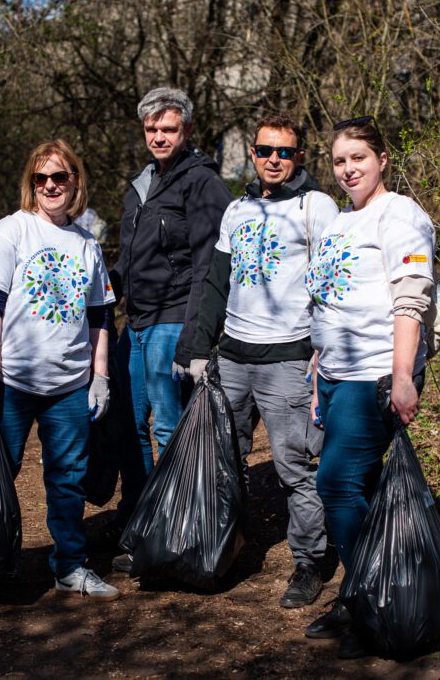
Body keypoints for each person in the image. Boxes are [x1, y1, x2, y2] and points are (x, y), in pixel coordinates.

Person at [186, 114, 338, 607]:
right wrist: (198, 347)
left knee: (295, 467)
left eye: (285, 152)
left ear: (299, 157)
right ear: (253, 154)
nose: (274, 160)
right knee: (224, 462)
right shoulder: (238, 210)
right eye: (266, 150)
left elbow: (334, 285)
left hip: (288, 359)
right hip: (232, 357)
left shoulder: (316, 207)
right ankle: (220, 548)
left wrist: (324, 351)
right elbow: (217, 282)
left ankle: (309, 562)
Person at [303, 116, 436, 657]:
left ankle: (369, 604)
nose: (348, 169)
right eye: (339, 160)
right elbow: (328, 303)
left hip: (377, 373)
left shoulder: (399, 214)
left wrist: (402, 377)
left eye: (358, 157)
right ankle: (364, 593)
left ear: (382, 160)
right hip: (337, 375)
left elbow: (411, 298)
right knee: (356, 485)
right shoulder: (338, 222)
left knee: (336, 483)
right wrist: (319, 372)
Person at [0, 139, 120, 601]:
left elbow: (100, 316)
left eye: (59, 177)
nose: (51, 185)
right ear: (31, 184)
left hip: (70, 386)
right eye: (41, 178)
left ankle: (70, 566)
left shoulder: (86, 244)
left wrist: (100, 376)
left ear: (75, 181)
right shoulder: (11, 231)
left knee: (68, 480)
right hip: (14, 382)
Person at [102, 87, 233, 557]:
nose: (159, 136)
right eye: (151, 128)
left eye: (168, 128)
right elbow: (126, 262)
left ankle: (177, 528)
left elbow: (209, 267)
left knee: (168, 429)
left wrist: (194, 338)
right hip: (135, 324)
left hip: (173, 319)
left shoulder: (202, 184)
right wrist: (95, 298)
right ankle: (139, 518)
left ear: (187, 130)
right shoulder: (141, 185)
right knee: (128, 427)